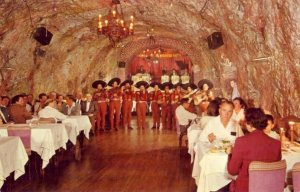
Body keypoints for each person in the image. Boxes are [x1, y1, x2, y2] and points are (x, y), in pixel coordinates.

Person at [227, 108, 281, 192]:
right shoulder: (276, 144)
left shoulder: (241, 141)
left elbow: (232, 171)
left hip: (247, 188)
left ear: (249, 124)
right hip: (269, 187)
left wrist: (230, 154)